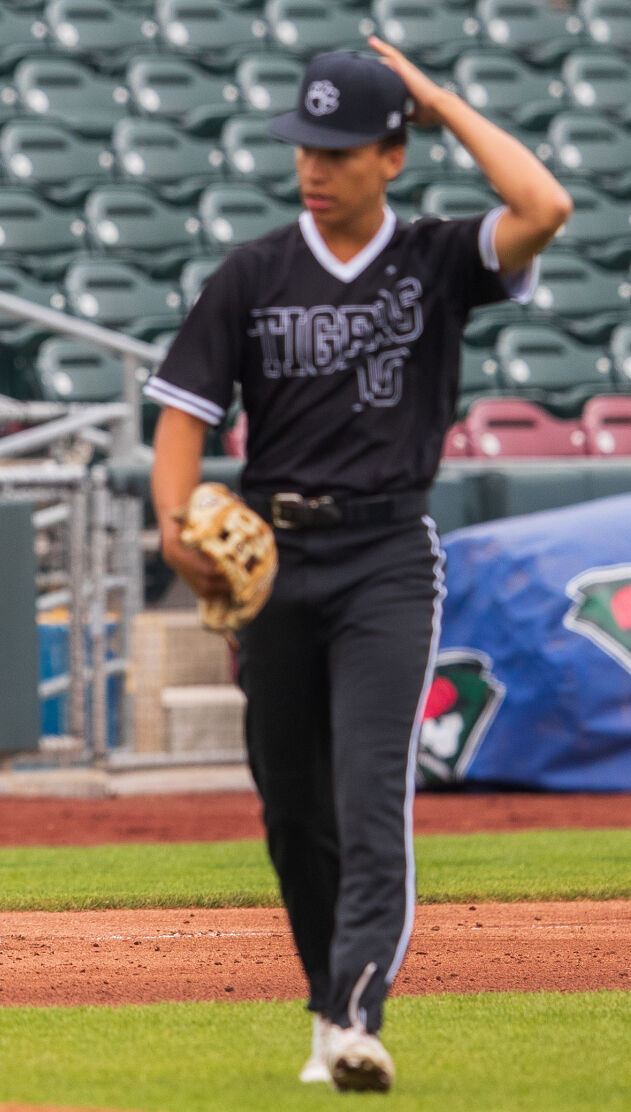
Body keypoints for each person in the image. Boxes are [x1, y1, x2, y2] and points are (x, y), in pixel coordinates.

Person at [147, 41, 570, 1091]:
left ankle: (358, 1010)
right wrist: (173, 529)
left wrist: (438, 99)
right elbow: (184, 414)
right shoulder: (253, 271)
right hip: (275, 565)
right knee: (292, 806)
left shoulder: (435, 258)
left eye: (341, 148)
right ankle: (329, 1007)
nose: (315, 166)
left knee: (370, 787)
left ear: (392, 155)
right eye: (306, 145)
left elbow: (545, 205)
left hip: (388, 555)